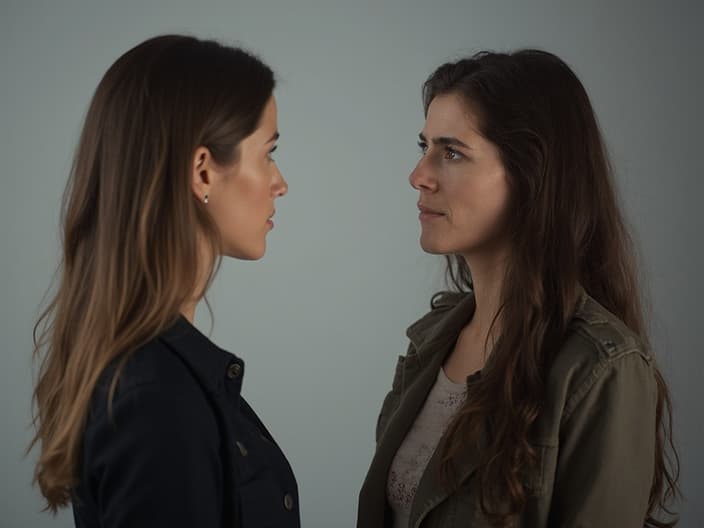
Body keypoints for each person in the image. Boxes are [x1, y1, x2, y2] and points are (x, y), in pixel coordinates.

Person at [357, 50, 679, 527]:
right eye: (424, 146)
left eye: (451, 152)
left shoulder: (601, 369)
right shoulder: (431, 340)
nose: (419, 176)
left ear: (532, 175)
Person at [30, 34, 299, 527]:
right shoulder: (157, 400)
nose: (281, 182)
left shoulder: (149, 378)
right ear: (202, 172)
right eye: (268, 153)